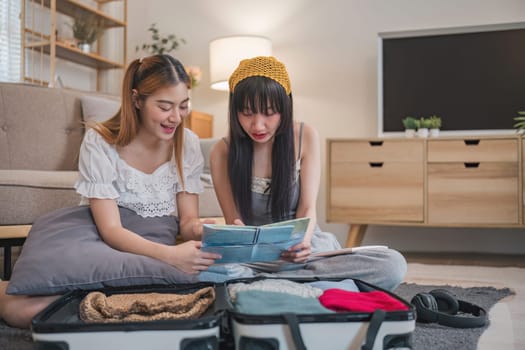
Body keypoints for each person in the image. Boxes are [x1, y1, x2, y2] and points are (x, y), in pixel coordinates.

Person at [0, 54, 220, 328]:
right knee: (19, 310)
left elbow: (187, 221)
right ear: (137, 100)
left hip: (148, 243)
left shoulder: (186, 144)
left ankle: (94, 299)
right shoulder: (100, 141)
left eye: (183, 106)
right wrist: (172, 256)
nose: (175, 117)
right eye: (164, 106)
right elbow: (111, 231)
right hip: (103, 238)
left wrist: (198, 229)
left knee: (27, 310)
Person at [209, 56, 406, 289]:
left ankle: (270, 286)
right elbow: (234, 220)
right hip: (255, 259)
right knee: (208, 271)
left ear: (285, 107)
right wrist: (238, 233)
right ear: (235, 111)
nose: (258, 125)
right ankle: (314, 286)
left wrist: (302, 243)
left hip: (305, 252)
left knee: (393, 265)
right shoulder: (222, 151)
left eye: (269, 112)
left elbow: (307, 208)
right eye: (247, 113)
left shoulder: (304, 136)